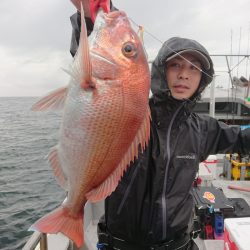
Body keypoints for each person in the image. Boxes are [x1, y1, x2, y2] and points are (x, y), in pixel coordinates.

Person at [69, 2, 250, 249]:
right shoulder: (132, 112)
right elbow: (98, 62)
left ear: (202, 79)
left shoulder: (204, 129)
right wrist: (93, 16)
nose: (184, 74)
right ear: (160, 71)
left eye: (193, 68)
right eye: (175, 65)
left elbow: (242, 139)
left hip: (179, 245)